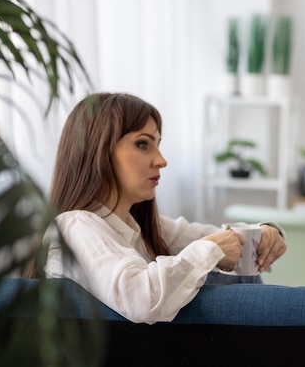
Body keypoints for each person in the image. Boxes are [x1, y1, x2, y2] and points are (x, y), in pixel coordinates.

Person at [38, 93, 287, 324]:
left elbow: (228, 241)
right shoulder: (73, 226)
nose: (162, 160)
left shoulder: (137, 226)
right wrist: (212, 249)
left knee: (237, 270)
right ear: (98, 151)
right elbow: (140, 300)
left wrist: (267, 232)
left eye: (157, 144)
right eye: (143, 144)